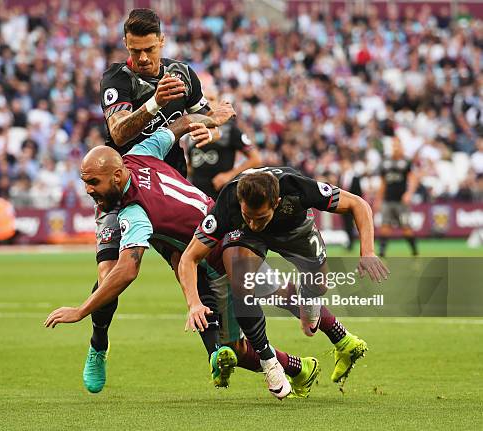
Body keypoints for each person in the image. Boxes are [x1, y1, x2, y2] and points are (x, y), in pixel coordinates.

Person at [45, 110, 320, 400]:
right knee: (285, 295)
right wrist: (212, 117)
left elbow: (127, 270)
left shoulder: (136, 212)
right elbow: (181, 124)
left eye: (93, 183)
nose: (87, 189)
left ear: (116, 176)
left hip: (213, 257)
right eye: (85, 181)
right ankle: (324, 344)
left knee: (234, 347)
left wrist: (80, 311)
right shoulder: (141, 154)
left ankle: (298, 365)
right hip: (230, 231)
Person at [84, 8, 218, 394]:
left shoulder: (184, 74)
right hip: (121, 189)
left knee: (189, 261)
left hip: (170, 185)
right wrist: (155, 103)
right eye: (134, 49)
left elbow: (202, 114)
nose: (141, 58)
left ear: (161, 41)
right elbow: (119, 131)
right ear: (126, 45)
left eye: (148, 49)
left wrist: (206, 131)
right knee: (111, 273)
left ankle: (215, 352)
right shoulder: (117, 78)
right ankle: (98, 345)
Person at [178, 167, 389, 386]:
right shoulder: (228, 203)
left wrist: (368, 252)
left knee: (318, 286)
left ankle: (310, 302)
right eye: (247, 216)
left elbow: (358, 204)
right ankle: (269, 361)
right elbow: (188, 258)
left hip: (296, 231)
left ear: (277, 202)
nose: (253, 223)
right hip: (248, 239)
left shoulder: (297, 188)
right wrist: (194, 303)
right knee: (240, 279)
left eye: (260, 217)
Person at [186, 85, 262, 200]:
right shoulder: (190, 130)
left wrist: (229, 175)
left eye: (211, 99)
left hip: (222, 197)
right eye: (204, 100)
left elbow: (256, 159)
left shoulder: (229, 130)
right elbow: (192, 165)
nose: (207, 104)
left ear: (218, 103)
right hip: (198, 198)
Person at [376, 139, 419, 257]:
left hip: (401, 202)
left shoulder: (406, 162)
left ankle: (415, 253)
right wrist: (378, 199)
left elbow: (413, 179)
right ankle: (381, 254)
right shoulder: (385, 162)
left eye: (398, 146)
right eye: (394, 146)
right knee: (385, 227)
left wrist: (409, 193)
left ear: (402, 147)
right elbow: (383, 183)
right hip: (387, 200)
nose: (396, 148)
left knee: (406, 228)